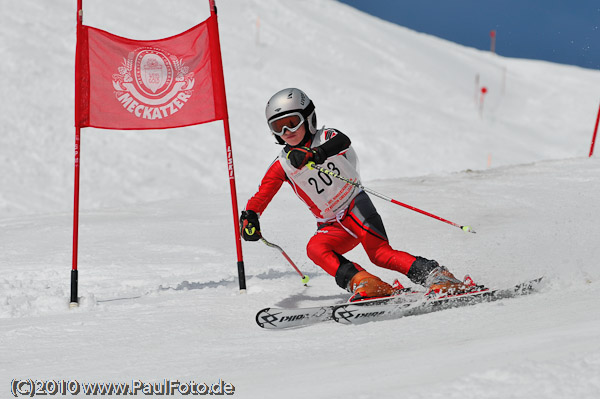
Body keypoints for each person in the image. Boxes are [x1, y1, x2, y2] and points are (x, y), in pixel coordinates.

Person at [240, 88, 474, 301]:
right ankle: (367, 283)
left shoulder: (326, 137)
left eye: (292, 122)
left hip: (355, 206)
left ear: (309, 118)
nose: (287, 131)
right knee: (315, 248)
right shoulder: (283, 164)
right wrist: (251, 215)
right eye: (278, 127)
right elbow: (263, 193)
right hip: (331, 225)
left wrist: (315, 154)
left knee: (380, 254)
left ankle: (438, 276)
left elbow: (343, 141)